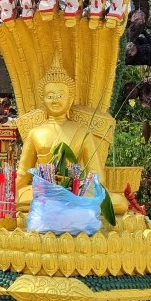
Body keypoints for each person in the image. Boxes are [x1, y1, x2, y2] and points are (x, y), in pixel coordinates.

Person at [14, 59, 100, 211]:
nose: (55, 100)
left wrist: (87, 190)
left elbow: (96, 173)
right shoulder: (35, 133)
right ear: (42, 99)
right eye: (50, 96)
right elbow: (23, 173)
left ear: (70, 99)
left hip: (75, 191)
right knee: (21, 196)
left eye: (60, 96)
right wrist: (6, 192)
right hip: (44, 192)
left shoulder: (82, 131)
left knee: (119, 202)